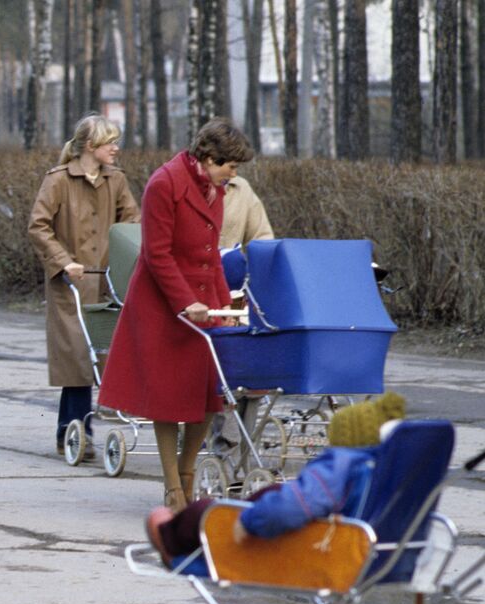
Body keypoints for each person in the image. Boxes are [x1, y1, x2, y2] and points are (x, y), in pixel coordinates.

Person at [98, 118, 257, 511]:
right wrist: (185, 302)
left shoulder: (215, 191)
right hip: (161, 305)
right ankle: (172, 484)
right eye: (229, 166)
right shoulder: (164, 184)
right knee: (166, 399)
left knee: (208, 395)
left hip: (204, 304)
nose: (232, 175)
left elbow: (211, 256)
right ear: (207, 157)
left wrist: (228, 305)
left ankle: (188, 472)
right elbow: (157, 254)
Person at [146, 393, 406, 567]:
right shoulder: (391, 472)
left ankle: (172, 542)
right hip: (377, 554)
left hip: (322, 554)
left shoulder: (339, 469)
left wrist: (250, 522)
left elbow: (291, 508)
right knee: (269, 493)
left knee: (207, 512)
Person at [27, 113, 140, 457]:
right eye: (111, 143)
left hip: (106, 283)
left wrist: (124, 262)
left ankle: (71, 429)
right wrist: (63, 261)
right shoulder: (59, 180)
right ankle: (79, 431)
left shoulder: (116, 181)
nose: (116, 149)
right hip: (70, 284)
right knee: (78, 356)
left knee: (97, 356)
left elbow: (132, 222)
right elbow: (39, 226)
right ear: (91, 146)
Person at [211, 175, 276, 454]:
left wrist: (259, 268)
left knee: (248, 361)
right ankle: (227, 440)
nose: (232, 169)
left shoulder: (241, 188)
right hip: (201, 284)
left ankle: (245, 445)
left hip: (235, 282)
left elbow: (262, 237)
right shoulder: (188, 185)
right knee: (219, 360)